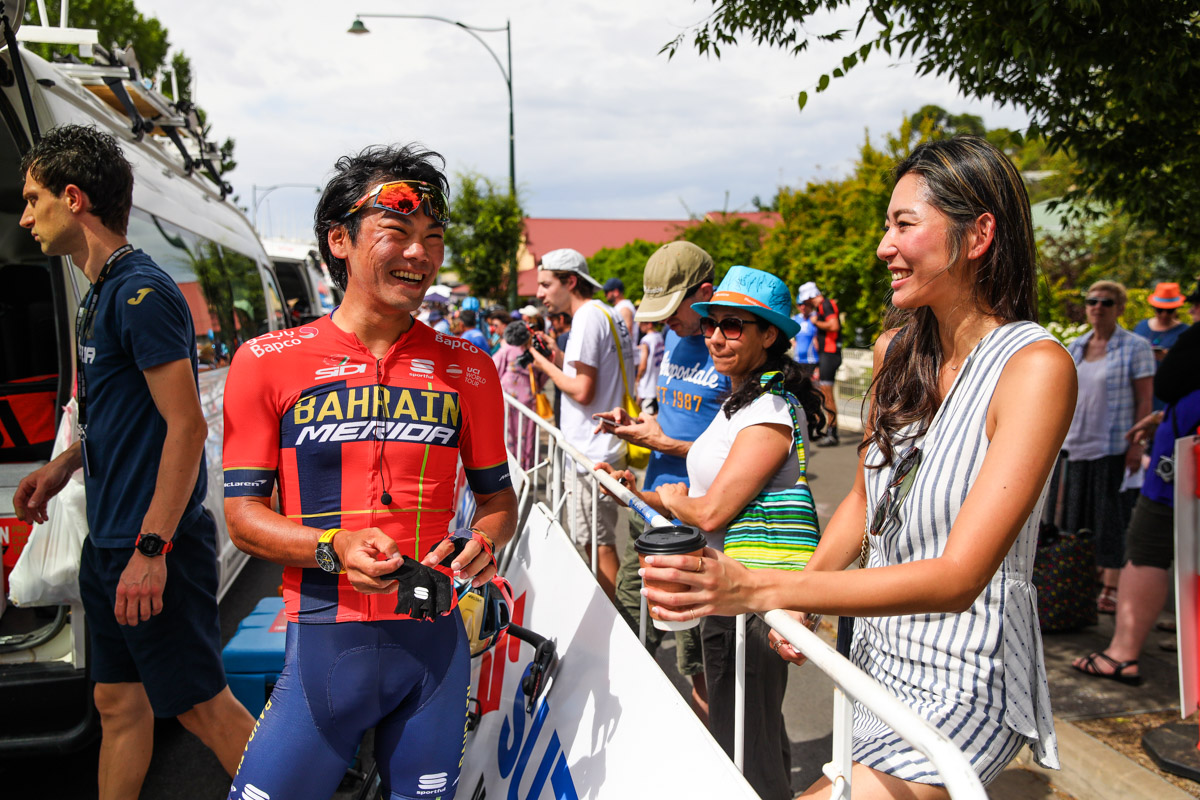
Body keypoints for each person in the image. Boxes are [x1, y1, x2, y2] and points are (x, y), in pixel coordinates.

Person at [643, 136, 1076, 794]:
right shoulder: (894, 352)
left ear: (979, 233)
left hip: (962, 683)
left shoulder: (1034, 367)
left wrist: (764, 589)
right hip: (869, 660)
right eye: (885, 225)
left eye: (905, 224)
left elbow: (959, 576)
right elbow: (865, 500)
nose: (883, 246)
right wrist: (809, 601)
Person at [221, 144, 516, 800]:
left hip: (434, 655)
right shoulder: (266, 361)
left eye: (433, 239)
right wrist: (333, 547)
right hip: (324, 651)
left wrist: (487, 542)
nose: (421, 254)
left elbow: (498, 500)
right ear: (340, 241)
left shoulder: (469, 368)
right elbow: (243, 520)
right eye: (398, 233)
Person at [12, 124, 255, 799]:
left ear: (74, 197)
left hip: (150, 546)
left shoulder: (141, 293)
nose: (25, 215)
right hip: (110, 542)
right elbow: (116, 417)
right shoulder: (99, 292)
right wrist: (60, 468)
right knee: (118, 705)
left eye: (33, 199)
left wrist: (152, 548)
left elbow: (186, 426)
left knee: (204, 708)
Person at [601, 264, 826, 800]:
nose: (716, 337)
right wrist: (636, 490)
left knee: (745, 741)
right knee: (753, 730)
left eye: (733, 326)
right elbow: (699, 495)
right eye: (710, 325)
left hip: (754, 593)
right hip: (730, 590)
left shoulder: (768, 410)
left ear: (768, 335)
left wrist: (675, 500)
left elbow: (710, 512)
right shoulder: (740, 402)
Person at [597, 240, 729, 722]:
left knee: (698, 660)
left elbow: (740, 459)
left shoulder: (729, 347)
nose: (663, 322)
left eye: (672, 310)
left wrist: (665, 444)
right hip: (649, 504)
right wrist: (633, 423)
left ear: (706, 293)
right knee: (632, 620)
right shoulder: (675, 338)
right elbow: (671, 415)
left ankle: (722, 765)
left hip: (694, 524)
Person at [1073, 324, 1200, 683]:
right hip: (1178, 436)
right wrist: (1165, 417)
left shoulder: (1136, 345)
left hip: (1182, 454)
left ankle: (1123, 653)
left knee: (1146, 546)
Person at [529, 248, 634, 601]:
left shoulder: (588, 315)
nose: (540, 293)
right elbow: (592, 378)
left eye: (546, 284)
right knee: (597, 541)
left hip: (591, 452)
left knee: (597, 545)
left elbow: (583, 391)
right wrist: (556, 358)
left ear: (570, 281)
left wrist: (544, 366)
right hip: (602, 445)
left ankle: (620, 624)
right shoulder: (608, 312)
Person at [1063, 280, 1155, 613]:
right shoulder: (1076, 347)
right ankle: (1077, 583)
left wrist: (1137, 444)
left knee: (1110, 518)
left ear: (1120, 308)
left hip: (1114, 446)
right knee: (1075, 519)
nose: (1098, 307)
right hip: (1075, 446)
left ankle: (1111, 588)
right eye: (1092, 301)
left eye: (1106, 302)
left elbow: (1145, 398)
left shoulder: (1135, 346)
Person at [494, 320, 546, 470]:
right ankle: (526, 467)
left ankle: (511, 470)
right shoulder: (532, 352)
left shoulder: (506, 350)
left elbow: (494, 369)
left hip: (508, 398)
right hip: (529, 398)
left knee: (508, 434)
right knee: (527, 435)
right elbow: (542, 376)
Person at [807, 282, 842, 446]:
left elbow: (834, 325)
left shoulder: (825, 304)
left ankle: (832, 433)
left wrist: (816, 323)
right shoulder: (823, 306)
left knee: (827, 395)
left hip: (830, 353)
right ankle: (830, 431)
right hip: (827, 353)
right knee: (824, 393)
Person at [1133, 282, 1189, 361]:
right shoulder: (1142, 326)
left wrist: (1170, 358)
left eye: (1169, 310)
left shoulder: (1185, 331)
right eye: (1159, 310)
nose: (1164, 315)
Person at [793, 282, 821, 378]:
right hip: (798, 360)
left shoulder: (815, 318)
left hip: (813, 360)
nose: (802, 307)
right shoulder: (795, 319)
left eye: (805, 304)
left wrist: (819, 365)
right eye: (800, 304)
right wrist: (793, 342)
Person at [636, 320, 664, 413]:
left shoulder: (646, 340)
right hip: (658, 383)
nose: (639, 326)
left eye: (641, 323)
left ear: (649, 324)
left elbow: (643, 365)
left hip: (647, 386)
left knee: (646, 417)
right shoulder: (659, 336)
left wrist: (638, 378)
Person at [605, 276, 639, 345]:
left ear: (616, 292)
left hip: (626, 353)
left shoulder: (624, 308)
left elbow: (626, 333)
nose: (605, 295)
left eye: (607, 292)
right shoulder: (622, 306)